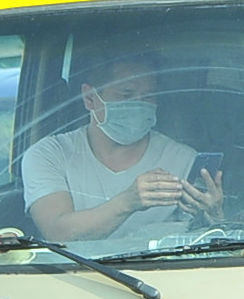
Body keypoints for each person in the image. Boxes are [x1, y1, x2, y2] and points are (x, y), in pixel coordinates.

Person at [22, 51, 219, 243]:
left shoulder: (185, 160)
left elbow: (202, 241)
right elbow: (58, 233)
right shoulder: (49, 155)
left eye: (149, 96)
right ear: (89, 97)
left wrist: (215, 215)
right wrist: (127, 202)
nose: (139, 105)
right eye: (126, 95)